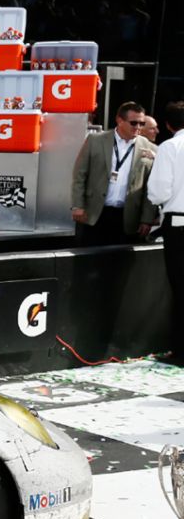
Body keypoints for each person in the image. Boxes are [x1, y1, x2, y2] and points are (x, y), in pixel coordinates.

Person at [71, 101, 159, 246]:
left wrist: (147, 219)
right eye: (133, 123)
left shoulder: (151, 149)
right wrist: (77, 205)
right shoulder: (96, 140)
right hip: (94, 213)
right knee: (89, 263)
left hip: (128, 217)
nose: (138, 127)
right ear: (119, 120)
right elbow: (80, 174)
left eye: (142, 124)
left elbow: (151, 188)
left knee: (120, 265)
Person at [148, 101, 184, 364]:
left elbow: (160, 190)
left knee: (181, 289)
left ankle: (181, 352)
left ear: (169, 125)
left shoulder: (170, 147)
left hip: (179, 225)